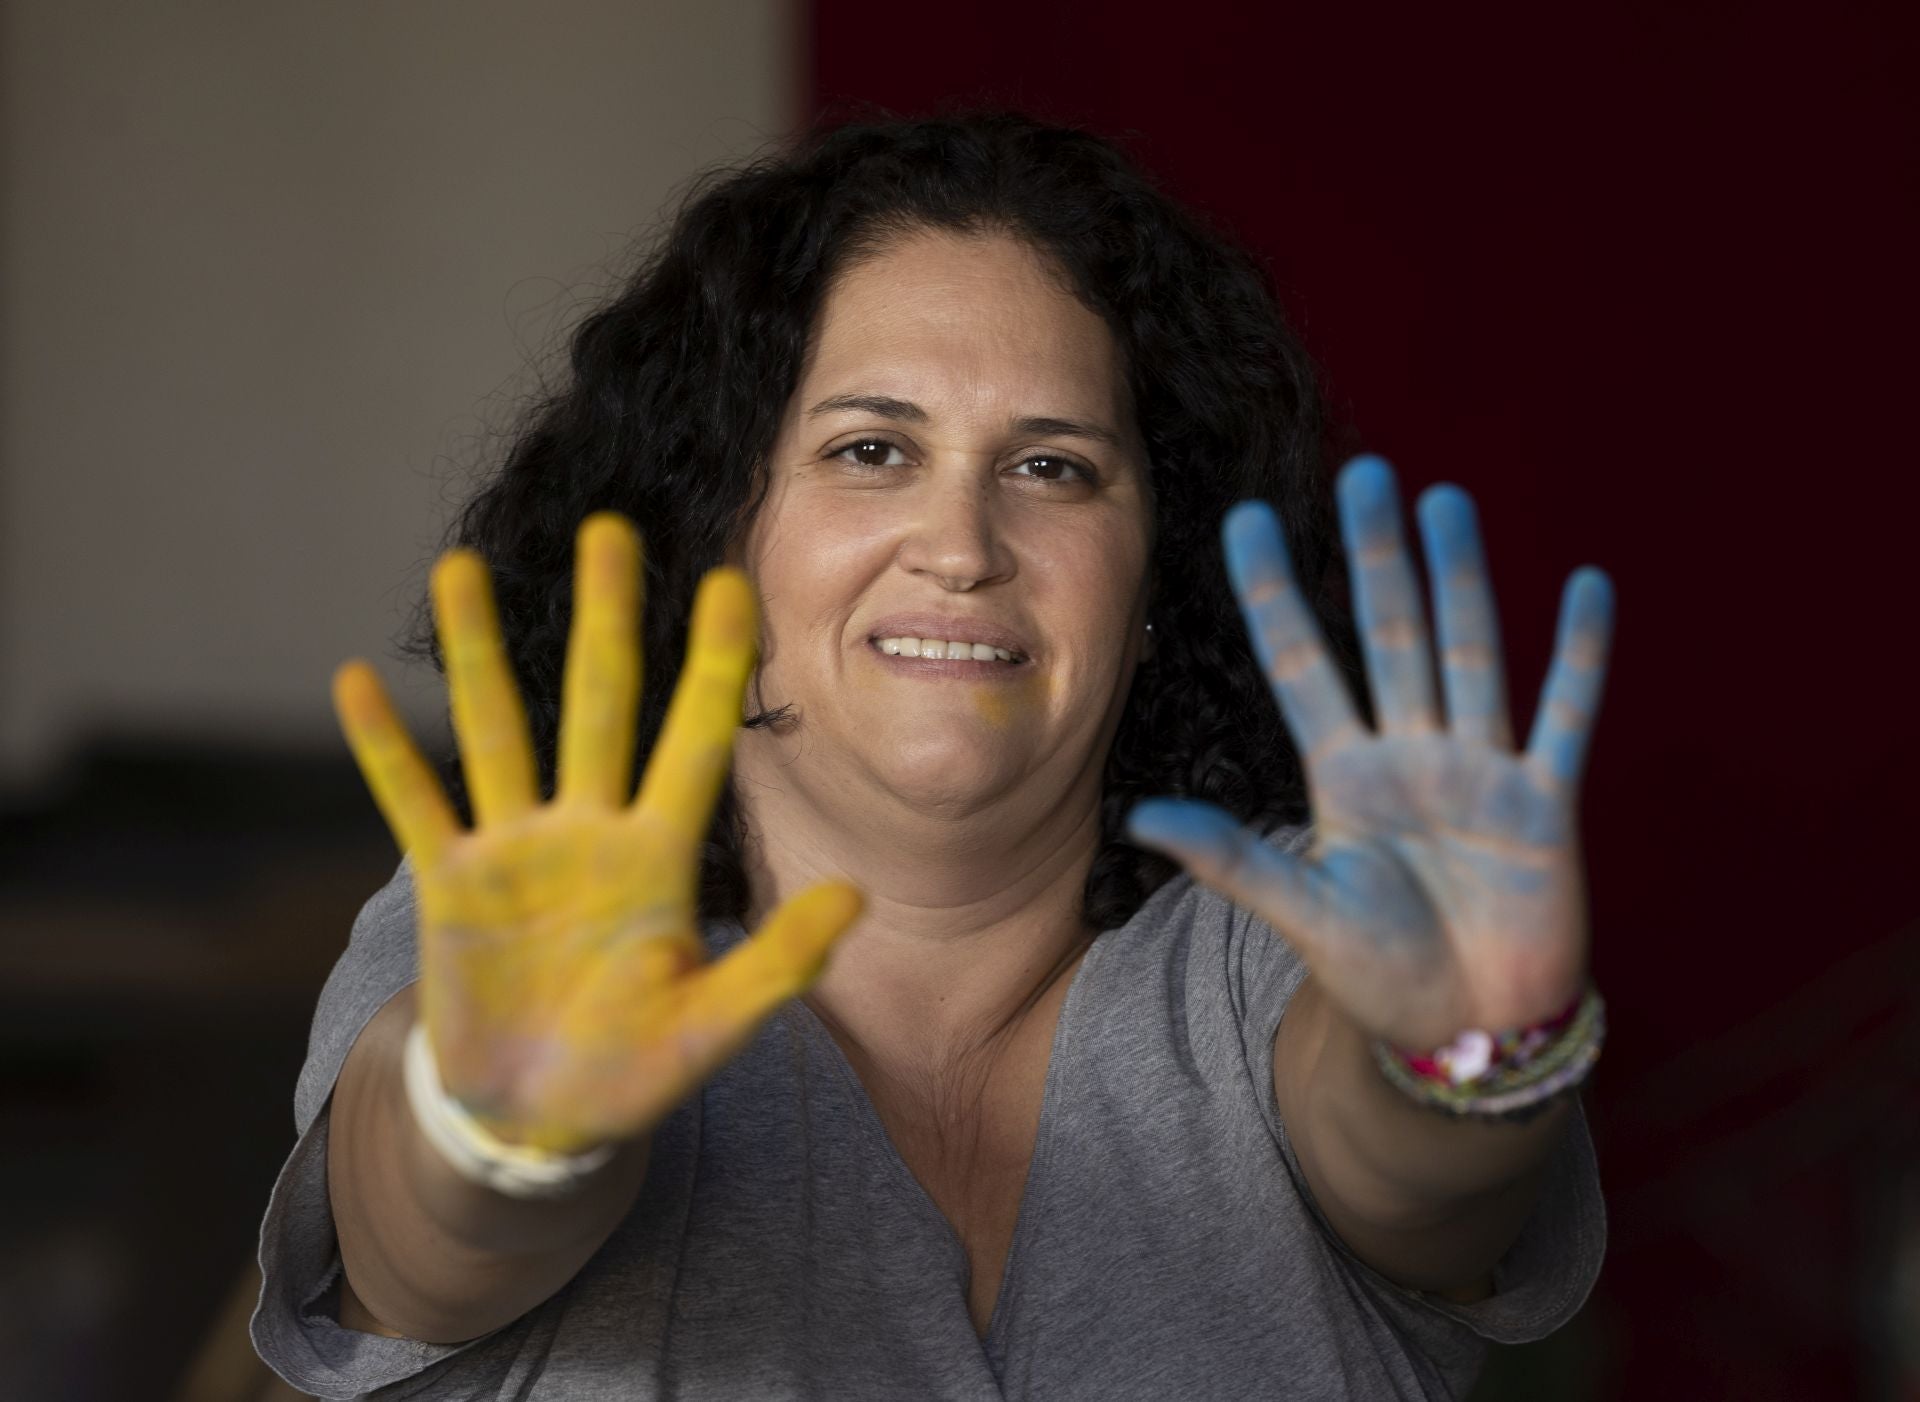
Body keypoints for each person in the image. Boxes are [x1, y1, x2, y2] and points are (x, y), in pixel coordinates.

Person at [250, 110, 1612, 1400]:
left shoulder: (1281, 937)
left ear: (1157, 581)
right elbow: (420, 1238)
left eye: (1054, 468)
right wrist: (494, 1127)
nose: (962, 546)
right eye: (872, 447)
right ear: (714, 523)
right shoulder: (513, 932)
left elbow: (1417, 1165)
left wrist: (1466, 1051)